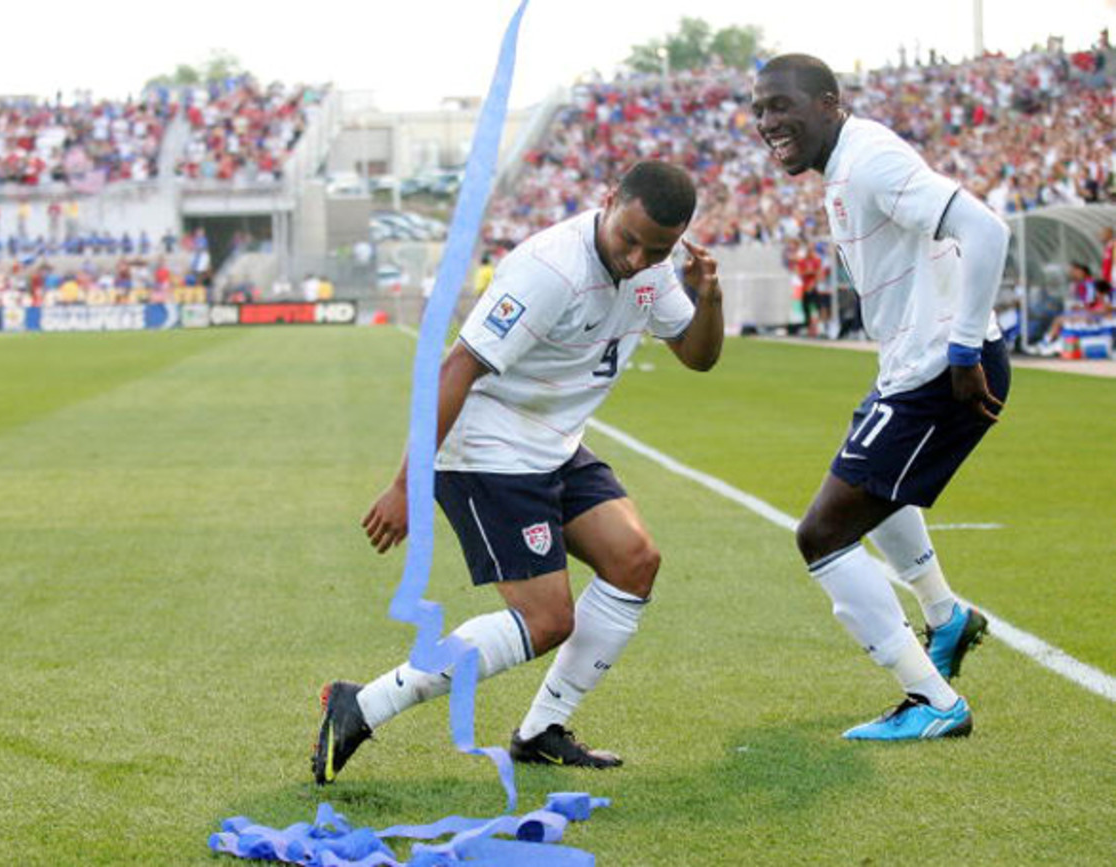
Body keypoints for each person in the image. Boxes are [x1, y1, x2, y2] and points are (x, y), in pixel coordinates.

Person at [313, 160, 725, 783]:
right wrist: (406, 485)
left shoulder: (653, 270)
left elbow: (699, 357)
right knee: (547, 620)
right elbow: (456, 369)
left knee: (634, 562)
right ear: (608, 200)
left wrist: (709, 296)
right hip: (487, 451)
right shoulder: (550, 269)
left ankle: (540, 732)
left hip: (554, 445)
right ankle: (363, 705)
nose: (639, 258)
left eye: (657, 249)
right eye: (630, 239)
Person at [751, 54, 1012, 741]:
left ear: (830, 102)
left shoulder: (869, 161)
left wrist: (962, 349)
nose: (768, 122)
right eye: (759, 110)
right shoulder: (843, 167)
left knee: (822, 533)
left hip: (943, 370)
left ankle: (934, 701)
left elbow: (987, 229)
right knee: (872, 485)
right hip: (911, 367)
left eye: (782, 106)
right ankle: (945, 614)